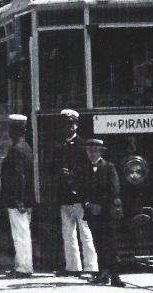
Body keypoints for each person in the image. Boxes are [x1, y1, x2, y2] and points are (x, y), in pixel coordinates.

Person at [55, 109, 98, 278]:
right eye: (65, 124)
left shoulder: (82, 145)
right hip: (64, 196)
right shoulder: (59, 146)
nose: (68, 128)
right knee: (68, 233)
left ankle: (91, 267)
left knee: (85, 232)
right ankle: (73, 267)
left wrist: (73, 175)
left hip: (79, 196)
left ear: (77, 125)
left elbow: (88, 171)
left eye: (71, 124)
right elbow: (52, 167)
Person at [82, 139, 125, 287]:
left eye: (95, 151)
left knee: (111, 245)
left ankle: (115, 276)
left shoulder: (109, 167)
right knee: (98, 244)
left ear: (101, 152)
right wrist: (88, 204)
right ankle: (103, 274)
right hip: (93, 213)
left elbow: (114, 190)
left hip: (108, 213)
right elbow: (82, 190)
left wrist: (100, 205)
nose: (92, 154)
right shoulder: (85, 169)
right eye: (89, 151)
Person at [0, 114, 35, 278]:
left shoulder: (16, 150)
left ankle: (24, 268)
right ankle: (21, 265)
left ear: (13, 130)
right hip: (24, 198)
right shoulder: (26, 147)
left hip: (18, 200)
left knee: (20, 234)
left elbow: (20, 176)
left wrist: (19, 199)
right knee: (22, 232)